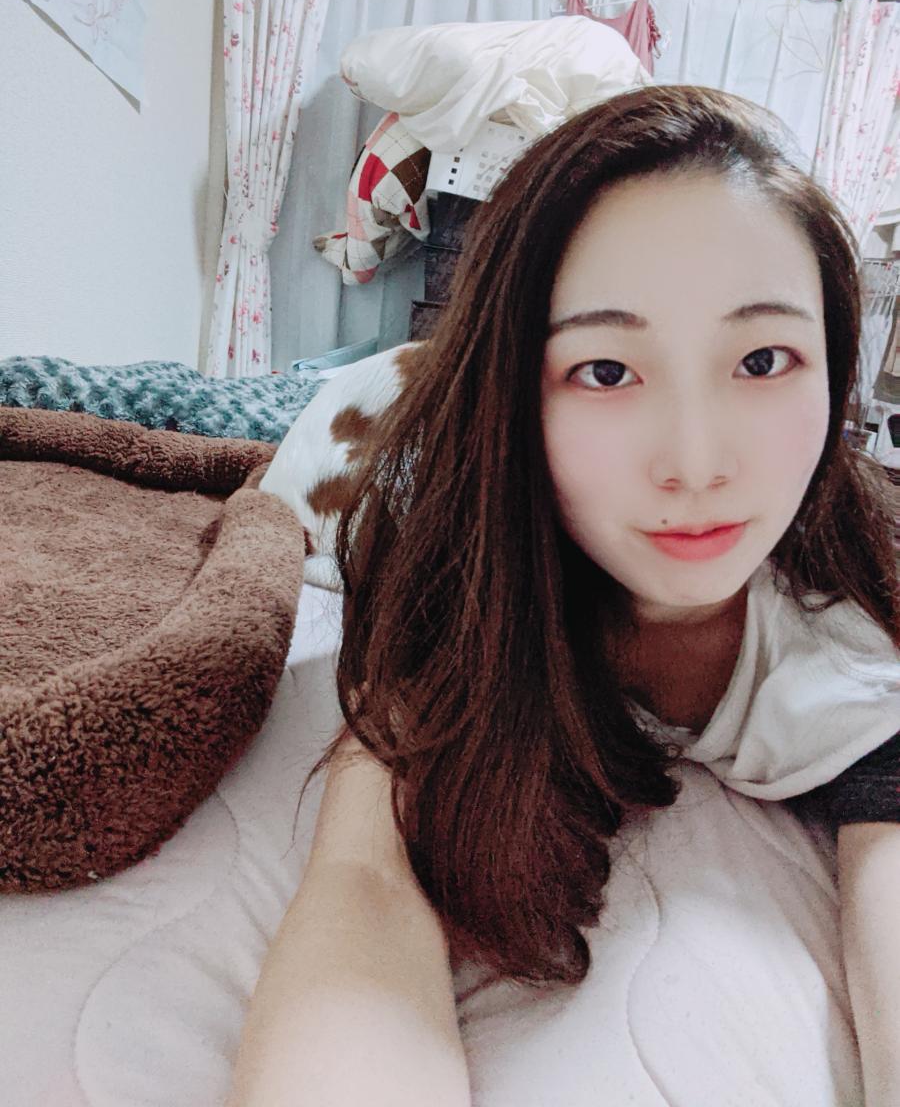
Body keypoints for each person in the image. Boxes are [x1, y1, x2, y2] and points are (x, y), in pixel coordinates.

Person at [228, 85, 899, 1107]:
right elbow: (364, 875)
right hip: (368, 417)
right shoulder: (449, 555)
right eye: (606, 370)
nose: (697, 464)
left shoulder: (850, 632)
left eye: (763, 360)